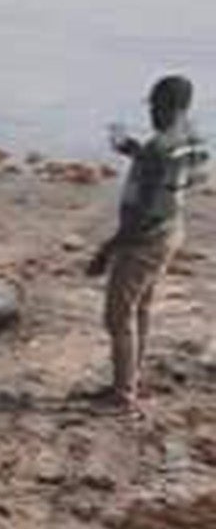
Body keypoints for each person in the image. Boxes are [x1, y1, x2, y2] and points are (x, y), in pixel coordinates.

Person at [88, 75, 206, 411]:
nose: (152, 112)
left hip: (144, 239)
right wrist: (133, 151)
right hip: (171, 230)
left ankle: (122, 395)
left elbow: (144, 208)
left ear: (172, 106)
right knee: (141, 307)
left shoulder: (160, 147)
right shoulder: (191, 138)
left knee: (117, 316)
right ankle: (130, 380)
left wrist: (107, 249)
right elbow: (183, 177)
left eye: (157, 105)